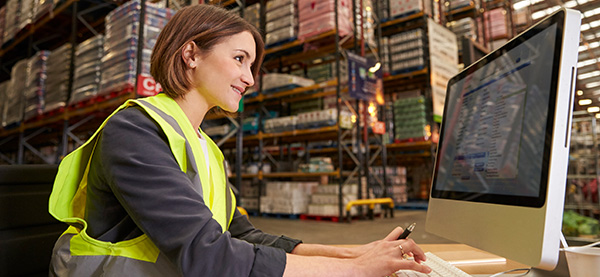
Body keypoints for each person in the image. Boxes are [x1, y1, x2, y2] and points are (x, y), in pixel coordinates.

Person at [48, 4, 432, 276]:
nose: (250, 79)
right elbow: (211, 258)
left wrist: (352, 254)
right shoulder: (134, 131)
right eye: (240, 59)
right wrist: (355, 272)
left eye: (252, 65)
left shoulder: (206, 148)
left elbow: (242, 235)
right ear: (190, 54)